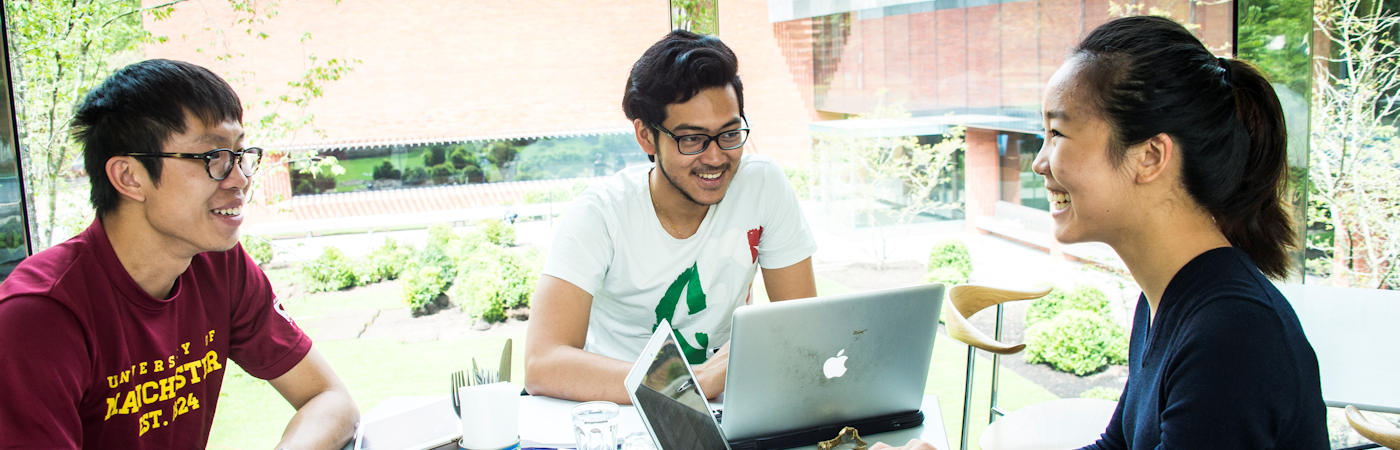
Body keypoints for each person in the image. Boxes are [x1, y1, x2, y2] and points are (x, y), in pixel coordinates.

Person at [881, 15, 1327, 450]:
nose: (1039, 162)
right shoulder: (1170, 301)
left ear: (1150, 156)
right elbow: (1116, 444)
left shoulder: (1232, 336)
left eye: (1056, 133)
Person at [0, 59, 358, 448]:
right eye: (212, 158)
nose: (239, 179)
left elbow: (330, 399)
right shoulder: (37, 316)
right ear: (129, 177)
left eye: (239, 154)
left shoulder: (218, 264)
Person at [525, 30, 818, 404]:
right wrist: (691, 381)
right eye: (692, 139)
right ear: (646, 136)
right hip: (626, 414)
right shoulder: (601, 214)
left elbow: (803, 326)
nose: (715, 157)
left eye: (729, 133)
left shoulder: (763, 185)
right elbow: (543, 363)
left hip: (727, 412)